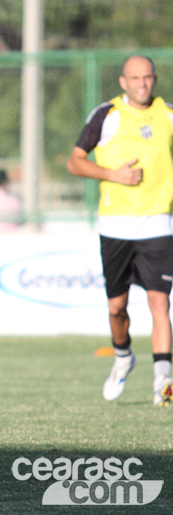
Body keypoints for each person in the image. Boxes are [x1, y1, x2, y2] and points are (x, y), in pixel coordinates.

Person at [67, 54, 173, 407]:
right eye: (136, 78)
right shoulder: (107, 115)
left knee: (160, 303)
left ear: (154, 80)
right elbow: (75, 162)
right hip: (115, 226)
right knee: (117, 308)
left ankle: (163, 381)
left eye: (148, 77)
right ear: (123, 82)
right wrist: (114, 175)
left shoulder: (168, 115)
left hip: (158, 223)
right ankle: (124, 357)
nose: (143, 83)